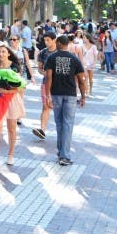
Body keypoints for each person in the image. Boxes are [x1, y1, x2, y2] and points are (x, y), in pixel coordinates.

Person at [42, 35, 86, 165]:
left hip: (56, 94)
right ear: (67, 44)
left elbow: (48, 78)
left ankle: (61, 153)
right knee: (68, 124)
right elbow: (81, 80)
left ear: (59, 43)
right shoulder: (75, 59)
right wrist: (83, 96)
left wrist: (47, 95)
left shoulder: (51, 57)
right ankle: (64, 155)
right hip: (71, 94)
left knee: (59, 124)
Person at [0, 44, 25, 170]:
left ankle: (10, 155)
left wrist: (8, 91)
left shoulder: (15, 66)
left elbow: (20, 84)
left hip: (12, 99)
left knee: (11, 128)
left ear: (8, 53)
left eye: (3, 51)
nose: (1, 54)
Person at [31, 32, 57, 140]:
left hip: (58, 84)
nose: (46, 42)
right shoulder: (43, 53)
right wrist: (44, 73)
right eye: (45, 40)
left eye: (48, 40)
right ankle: (42, 130)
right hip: (45, 83)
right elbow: (39, 68)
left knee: (57, 107)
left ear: (54, 40)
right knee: (45, 106)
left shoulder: (59, 52)